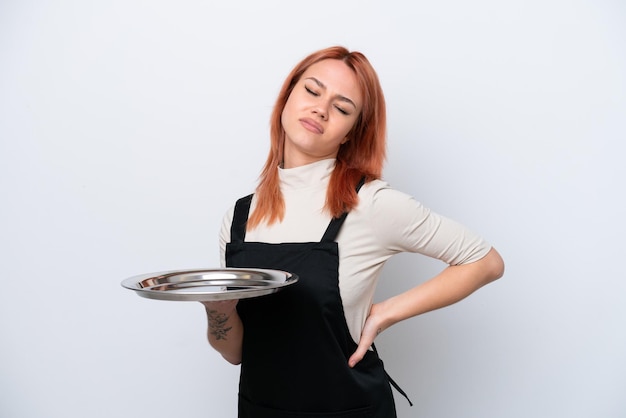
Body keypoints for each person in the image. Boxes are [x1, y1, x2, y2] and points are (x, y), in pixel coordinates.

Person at [201, 45, 505, 417]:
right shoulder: (239, 217)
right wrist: (218, 312)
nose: (321, 109)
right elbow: (235, 353)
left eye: (342, 108)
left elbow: (485, 261)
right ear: (287, 97)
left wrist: (386, 313)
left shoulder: (372, 203)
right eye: (312, 91)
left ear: (350, 133)